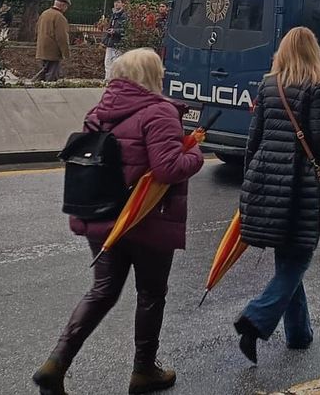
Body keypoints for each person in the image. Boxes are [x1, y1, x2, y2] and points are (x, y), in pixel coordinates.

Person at [32, 48, 203, 395]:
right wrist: (195, 152)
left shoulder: (98, 112)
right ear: (153, 75)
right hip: (146, 217)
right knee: (151, 294)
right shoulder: (160, 112)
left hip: (103, 215)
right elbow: (168, 168)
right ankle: (144, 370)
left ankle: (57, 362)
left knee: (103, 290)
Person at [234, 27, 320, 364]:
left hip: (264, 174)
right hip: (297, 180)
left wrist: (250, 182)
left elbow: (254, 137)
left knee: (288, 256)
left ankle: (299, 333)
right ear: (314, 52)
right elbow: (318, 136)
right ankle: (255, 318)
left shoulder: (269, 85)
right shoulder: (318, 86)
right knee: (299, 255)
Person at [34, 0, 73, 82]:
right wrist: (66, 53)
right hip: (53, 52)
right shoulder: (59, 17)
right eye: (66, 6)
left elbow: (37, 29)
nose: (66, 9)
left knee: (43, 72)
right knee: (51, 76)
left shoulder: (44, 13)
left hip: (41, 49)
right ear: (63, 5)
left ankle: (36, 85)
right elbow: (62, 37)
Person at [105, 0, 129, 81]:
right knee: (108, 62)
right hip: (110, 42)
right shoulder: (113, 15)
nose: (116, 4)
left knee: (117, 63)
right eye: (115, 2)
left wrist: (115, 31)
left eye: (118, 2)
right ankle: (108, 79)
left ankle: (116, 80)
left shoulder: (124, 16)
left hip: (118, 43)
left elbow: (126, 29)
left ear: (123, 4)